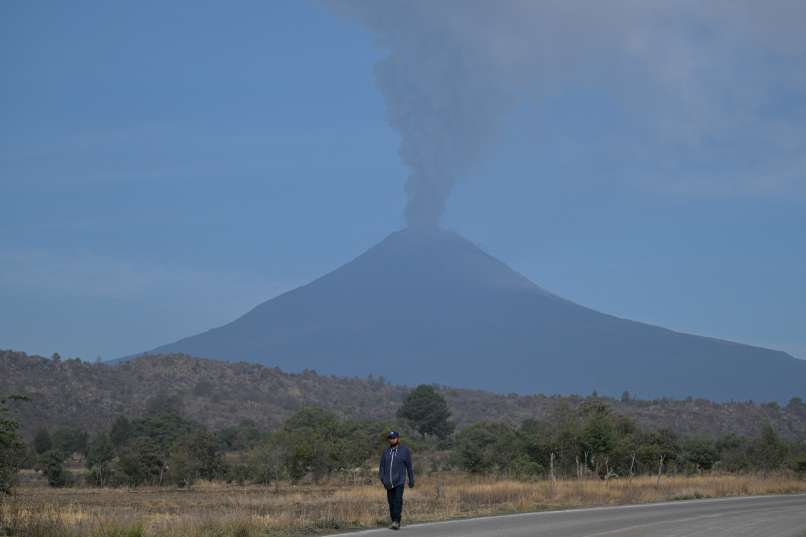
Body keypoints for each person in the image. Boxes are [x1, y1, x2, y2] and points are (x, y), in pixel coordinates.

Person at [378, 431, 414, 530]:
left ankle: (396, 521)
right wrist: (382, 478)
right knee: (391, 502)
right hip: (388, 482)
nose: (392, 439)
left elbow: (409, 466)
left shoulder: (404, 451)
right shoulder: (386, 452)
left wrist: (411, 479)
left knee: (397, 500)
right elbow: (381, 466)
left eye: (394, 438)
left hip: (399, 480)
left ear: (398, 438)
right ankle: (393, 519)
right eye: (390, 438)